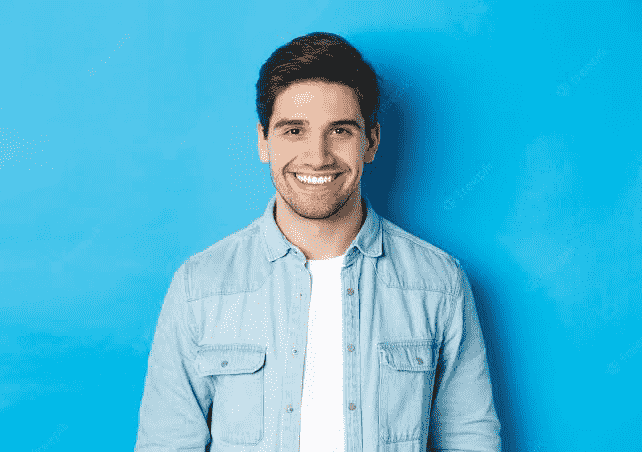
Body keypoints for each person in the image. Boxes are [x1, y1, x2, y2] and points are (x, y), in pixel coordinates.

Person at [134, 32, 501, 452]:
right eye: (294, 130)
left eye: (340, 131)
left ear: (371, 142)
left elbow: (470, 437)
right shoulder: (200, 285)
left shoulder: (438, 283)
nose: (317, 156)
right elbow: (166, 443)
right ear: (263, 141)